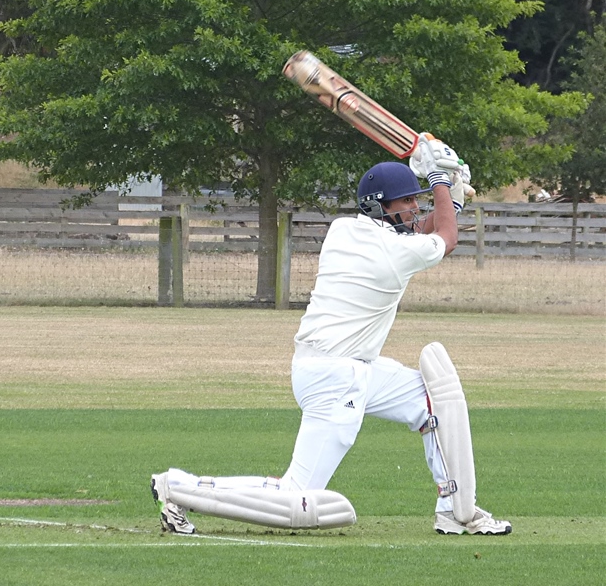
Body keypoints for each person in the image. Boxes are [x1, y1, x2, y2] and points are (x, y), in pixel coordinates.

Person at [150, 134, 512, 536]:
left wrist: (451, 199)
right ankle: (177, 488)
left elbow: (425, 231)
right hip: (335, 377)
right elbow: (445, 238)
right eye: (407, 201)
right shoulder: (394, 253)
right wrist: (442, 182)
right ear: (380, 206)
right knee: (296, 495)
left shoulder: (345, 230)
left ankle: (455, 510)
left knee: (432, 399)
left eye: (417, 199)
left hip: (352, 367)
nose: (414, 207)